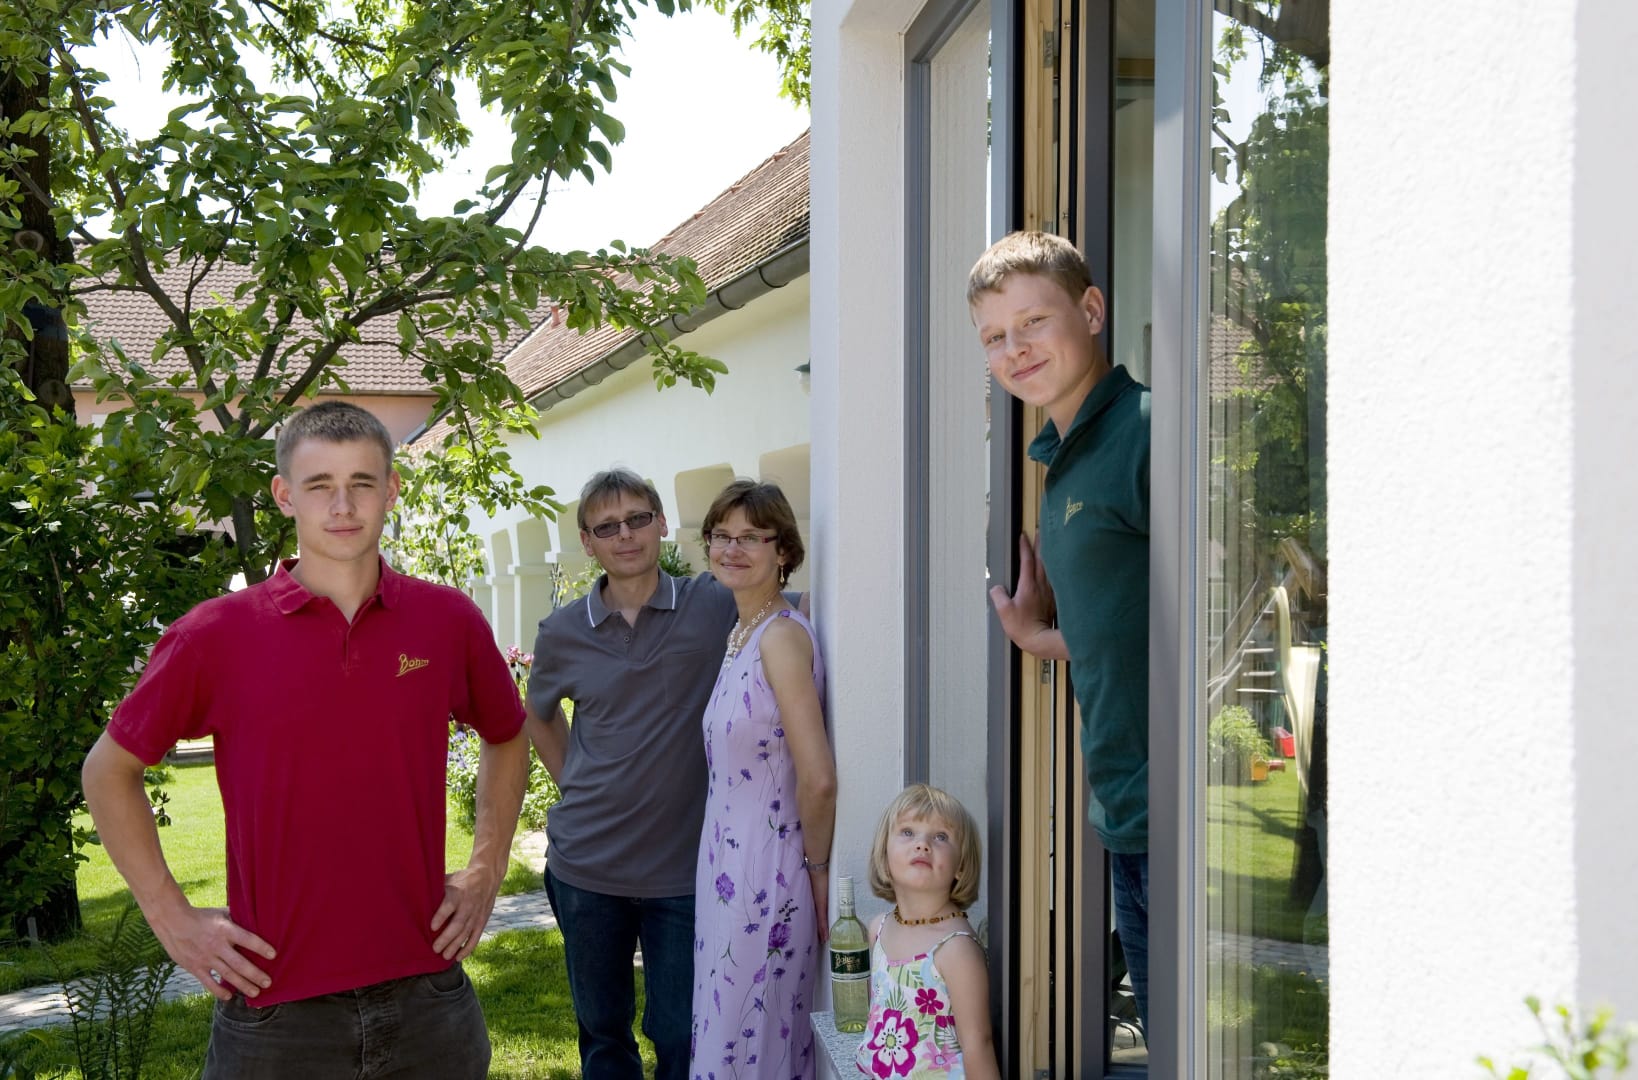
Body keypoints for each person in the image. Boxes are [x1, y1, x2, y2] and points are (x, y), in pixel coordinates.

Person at [80, 401, 529, 1079]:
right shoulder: (214, 636)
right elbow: (108, 771)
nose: (342, 506)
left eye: (362, 483)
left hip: (428, 996)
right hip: (276, 1014)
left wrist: (486, 869)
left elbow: (508, 734)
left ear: (391, 490)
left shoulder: (447, 621)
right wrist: (171, 918)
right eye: (320, 485)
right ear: (284, 495)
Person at [528, 469, 801, 1080]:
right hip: (585, 867)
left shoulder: (714, 602)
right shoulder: (562, 632)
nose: (625, 535)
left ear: (661, 524)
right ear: (587, 542)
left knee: (681, 1031)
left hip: (685, 868)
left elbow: (792, 610)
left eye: (637, 519)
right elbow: (538, 716)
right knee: (603, 1032)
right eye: (606, 527)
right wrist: (576, 782)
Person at [970, 230, 1152, 1025]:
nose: (1014, 349)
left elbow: (1219, 605)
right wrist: (1040, 638)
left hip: (1179, 809)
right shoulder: (1064, 461)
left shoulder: (1147, 432)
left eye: (1033, 322)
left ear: (1092, 310)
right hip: (1124, 812)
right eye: (994, 337)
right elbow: (1127, 623)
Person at [689, 480, 835, 1080]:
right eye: (721, 535)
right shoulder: (744, 632)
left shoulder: (779, 638)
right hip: (726, 871)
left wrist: (817, 873)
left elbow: (818, 778)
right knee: (730, 1037)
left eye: (751, 537)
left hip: (766, 878)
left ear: (784, 551)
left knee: (750, 1046)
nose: (732, 548)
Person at [855, 784, 997, 1079]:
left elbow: (977, 1046)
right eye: (908, 832)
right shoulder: (878, 929)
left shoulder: (956, 949)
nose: (922, 844)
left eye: (941, 836)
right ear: (885, 855)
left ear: (960, 865)